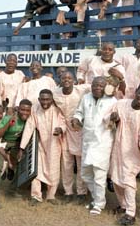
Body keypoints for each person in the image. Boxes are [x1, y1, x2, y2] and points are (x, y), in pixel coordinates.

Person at [108, 83, 140, 225]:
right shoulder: (121, 104)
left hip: (133, 152)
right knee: (115, 178)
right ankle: (123, 205)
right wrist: (113, 118)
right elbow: (108, 119)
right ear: (136, 92)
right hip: (117, 148)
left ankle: (130, 213)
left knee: (128, 181)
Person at [71, 76, 117, 215]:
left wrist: (115, 118)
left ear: (106, 87)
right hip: (87, 141)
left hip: (103, 142)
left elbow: (116, 118)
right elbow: (79, 112)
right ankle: (97, 197)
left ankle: (98, 204)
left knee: (99, 175)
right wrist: (76, 119)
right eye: (95, 85)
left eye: (101, 86)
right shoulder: (86, 98)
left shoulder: (112, 101)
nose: (97, 88)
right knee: (85, 174)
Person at [18, 89, 66, 206]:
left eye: (47, 99)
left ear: (52, 99)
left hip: (54, 145)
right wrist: (22, 148)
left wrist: (60, 129)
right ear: (39, 99)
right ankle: (36, 196)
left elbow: (63, 123)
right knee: (36, 170)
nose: (45, 102)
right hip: (39, 145)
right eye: (42, 99)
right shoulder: (35, 110)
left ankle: (51, 196)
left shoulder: (57, 111)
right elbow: (29, 127)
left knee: (53, 171)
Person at [0, 99, 32, 209]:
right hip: (3, 143)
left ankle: (12, 190)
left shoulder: (31, 120)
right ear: (18, 109)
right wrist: (9, 123)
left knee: (22, 165)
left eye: (27, 110)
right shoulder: (8, 118)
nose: (24, 112)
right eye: (22, 109)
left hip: (18, 145)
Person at [53, 72, 90, 205]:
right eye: (64, 78)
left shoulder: (81, 89)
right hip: (63, 130)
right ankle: (68, 191)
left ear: (74, 80)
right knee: (66, 163)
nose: (67, 80)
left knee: (80, 163)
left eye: (69, 78)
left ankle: (81, 192)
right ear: (60, 80)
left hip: (79, 129)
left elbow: (98, 85)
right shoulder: (55, 93)